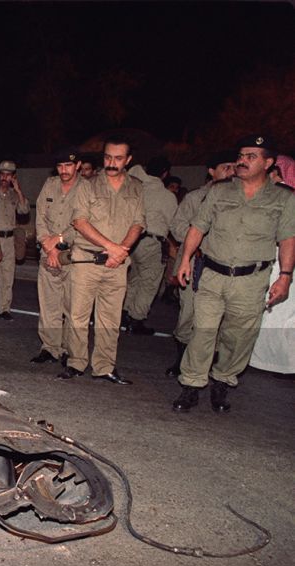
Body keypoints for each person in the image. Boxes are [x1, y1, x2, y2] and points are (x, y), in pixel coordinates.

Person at [174, 135, 295, 413]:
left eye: (251, 156)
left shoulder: (283, 198)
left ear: (268, 163)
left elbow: (288, 239)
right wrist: (185, 260)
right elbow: (198, 227)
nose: (242, 161)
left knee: (238, 337)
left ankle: (223, 380)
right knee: (202, 332)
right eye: (241, 155)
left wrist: (285, 276)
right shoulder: (219, 191)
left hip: (251, 280)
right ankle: (191, 384)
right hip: (213, 274)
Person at [58, 135, 145, 384]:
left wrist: (121, 251)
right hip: (87, 260)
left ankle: (104, 367)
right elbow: (80, 222)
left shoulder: (136, 187)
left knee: (110, 319)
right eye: (108, 157)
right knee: (78, 316)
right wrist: (112, 248)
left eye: (118, 158)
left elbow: (138, 223)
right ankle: (76, 363)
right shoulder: (88, 185)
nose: (112, 163)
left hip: (117, 264)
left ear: (128, 160)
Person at [164, 151, 237, 376]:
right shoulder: (195, 198)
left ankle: (206, 365)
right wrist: (200, 237)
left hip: (224, 268)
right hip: (195, 263)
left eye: (234, 167)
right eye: (225, 167)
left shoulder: (241, 198)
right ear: (212, 171)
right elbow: (177, 227)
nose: (231, 172)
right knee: (188, 313)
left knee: (217, 320)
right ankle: (181, 360)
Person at [30, 149, 85, 364]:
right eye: (60, 166)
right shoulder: (50, 184)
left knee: (72, 305)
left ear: (78, 165)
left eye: (68, 165)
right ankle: (50, 347)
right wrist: (49, 247)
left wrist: (59, 240)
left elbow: (85, 223)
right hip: (48, 253)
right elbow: (40, 217)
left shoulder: (87, 188)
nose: (64, 170)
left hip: (74, 254)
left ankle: (68, 349)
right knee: (49, 304)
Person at [250, 154, 295, 375]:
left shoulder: (285, 196)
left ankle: (274, 361)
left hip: (282, 261)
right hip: (278, 260)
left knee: (277, 312)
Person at [123, 157, 178, 334]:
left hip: (133, 239)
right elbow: (173, 223)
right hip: (153, 241)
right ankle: (136, 319)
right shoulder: (166, 196)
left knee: (134, 278)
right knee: (149, 282)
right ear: (165, 174)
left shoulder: (137, 189)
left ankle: (125, 312)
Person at [0, 160, 29, 321]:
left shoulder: (14, 194)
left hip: (10, 240)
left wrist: (18, 190)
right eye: (2, 174)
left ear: (13, 177)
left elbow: (24, 210)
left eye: (8, 175)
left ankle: (4, 309)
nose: (4, 177)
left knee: (8, 277)